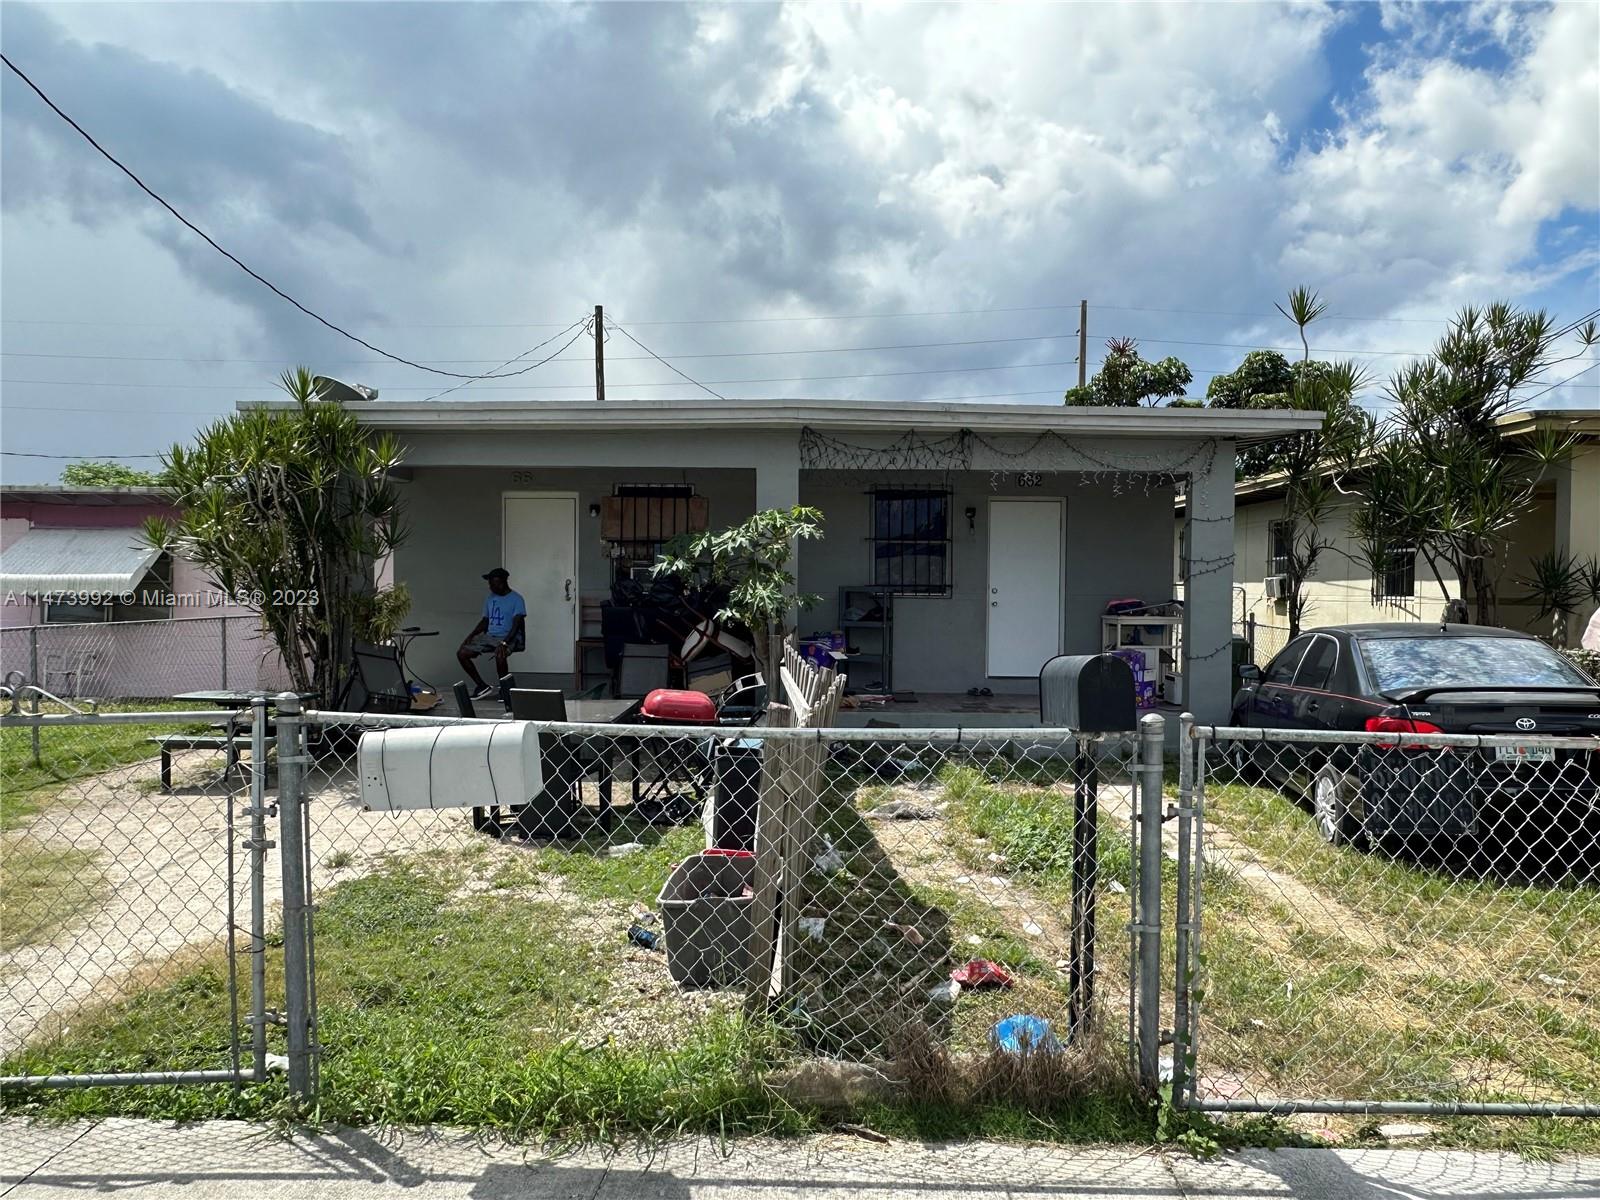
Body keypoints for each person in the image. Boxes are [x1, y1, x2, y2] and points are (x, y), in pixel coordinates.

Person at [457, 567, 527, 699]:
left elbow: (516, 625)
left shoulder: (517, 599)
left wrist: (504, 642)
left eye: (493, 584)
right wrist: (471, 635)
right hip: (490, 636)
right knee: (462, 653)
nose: (490, 587)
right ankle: (482, 686)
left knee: (500, 654)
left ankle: (505, 690)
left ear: (502, 583)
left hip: (508, 636)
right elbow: (485, 621)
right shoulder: (490, 598)